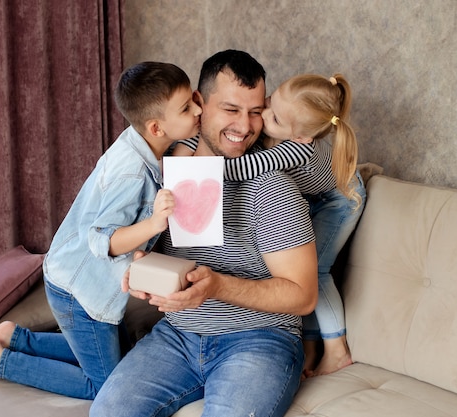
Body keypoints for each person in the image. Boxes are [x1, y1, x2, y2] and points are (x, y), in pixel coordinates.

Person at [0, 61, 202, 399]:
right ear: (157, 127)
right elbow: (102, 240)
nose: (198, 109)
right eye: (188, 107)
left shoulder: (145, 143)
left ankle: (16, 337)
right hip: (80, 293)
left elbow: (182, 150)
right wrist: (155, 224)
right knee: (105, 387)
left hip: (76, 278)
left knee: (121, 359)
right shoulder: (130, 173)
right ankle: (0, 360)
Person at [91, 49, 318, 417]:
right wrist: (144, 270)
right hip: (177, 335)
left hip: (259, 340)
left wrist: (218, 286)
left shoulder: (271, 186)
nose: (245, 126)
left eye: (256, 111)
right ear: (199, 104)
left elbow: (303, 296)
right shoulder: (165, 175)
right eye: (231, 109)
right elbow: (136, 243)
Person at [176, 73, 366, 376]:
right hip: (316, 194)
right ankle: (311, 346)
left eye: (272, 117)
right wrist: (195, 136)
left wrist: (189, 161)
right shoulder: (289, 130)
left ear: (301, 136)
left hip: (341, 200)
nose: (262, 118)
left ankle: (337, 350)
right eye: (268, 104)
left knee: (315, 271)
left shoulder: (297, 149)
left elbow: (240, 168)